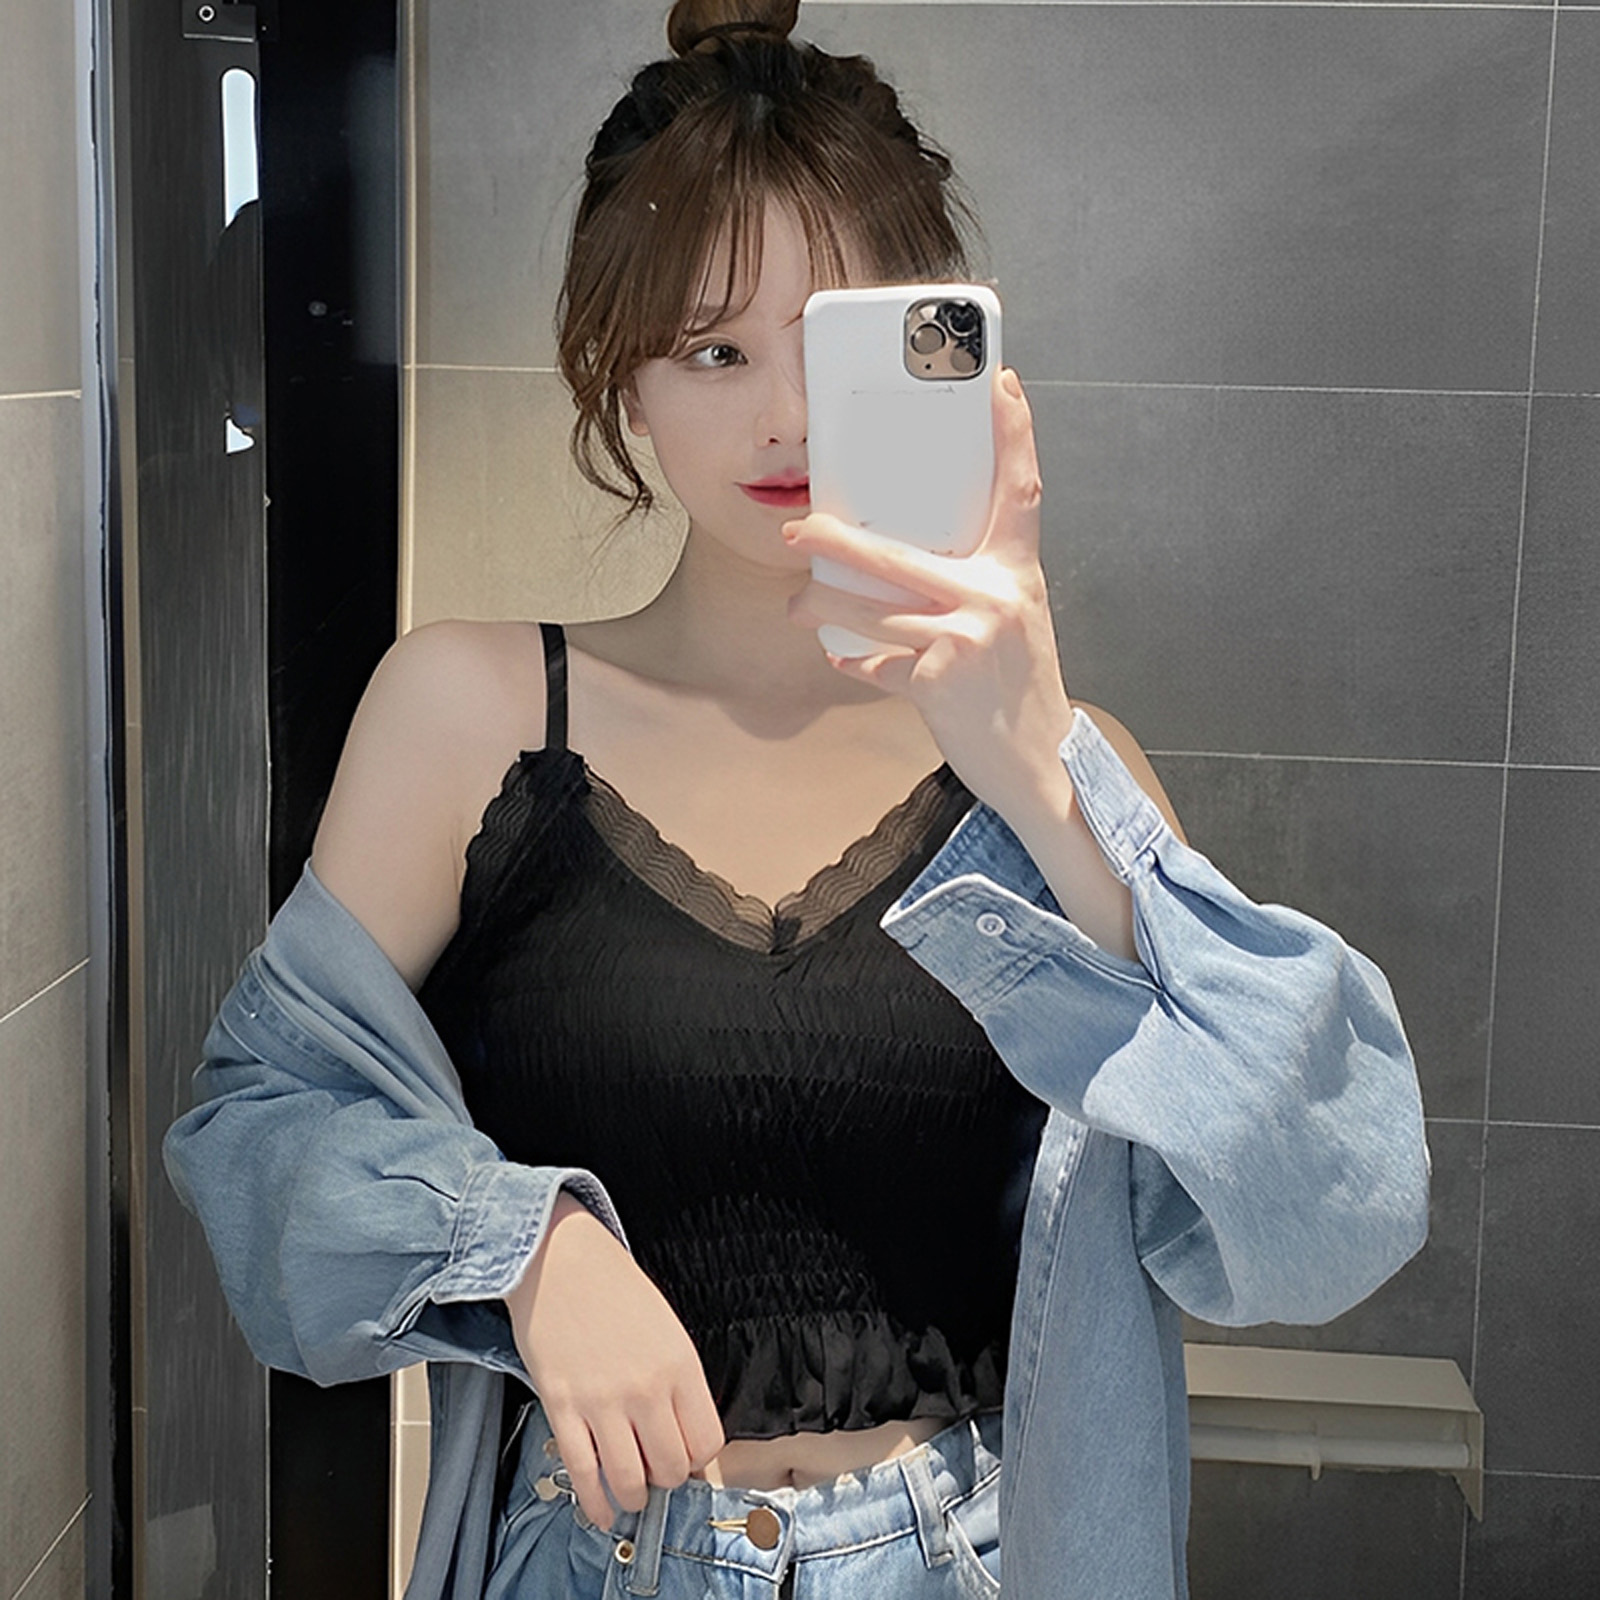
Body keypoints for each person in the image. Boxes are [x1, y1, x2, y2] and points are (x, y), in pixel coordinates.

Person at [164, 3, 1431, 1597]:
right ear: (623, 380)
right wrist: (520, 1246)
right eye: (714, 350)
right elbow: (257, 1132)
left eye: (837, 345)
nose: (788, 416)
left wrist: (1037, 761)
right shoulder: (474, 715)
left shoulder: (1055, 770)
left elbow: (1331, 1215)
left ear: (944, 357)